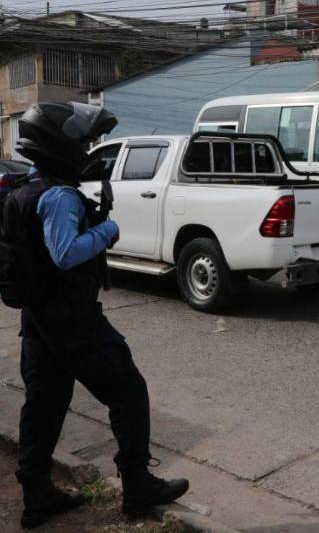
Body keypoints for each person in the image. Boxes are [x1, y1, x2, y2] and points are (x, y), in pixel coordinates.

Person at [7, 102, 189, 529]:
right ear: (58, 144)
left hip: (38, 320)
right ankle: (138, 484)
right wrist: (107, 230)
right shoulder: (59, 195)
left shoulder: (22, 191)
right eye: (82, 141)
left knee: (44, 407)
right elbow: (67, 254)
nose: (87, 148)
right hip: (72, 320)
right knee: (128, 391)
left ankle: (37, 496)